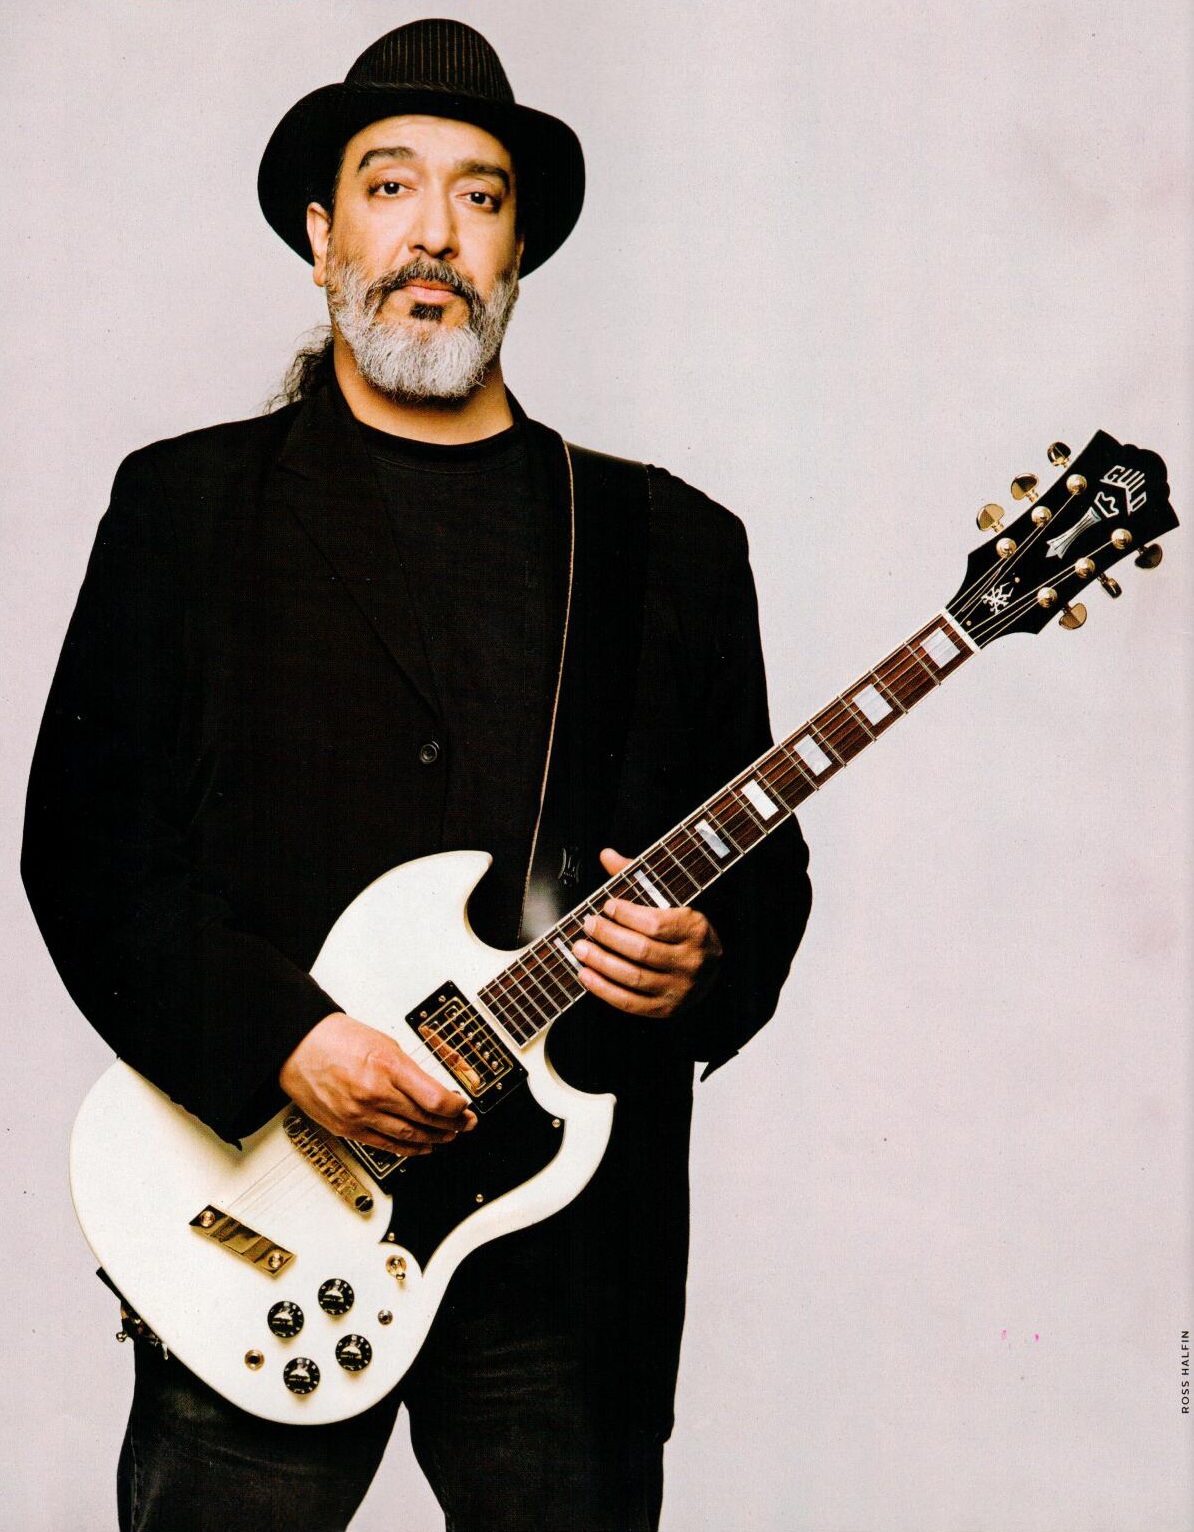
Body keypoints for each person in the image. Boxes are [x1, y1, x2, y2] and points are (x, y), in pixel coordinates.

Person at [23, 19, 811, 1532]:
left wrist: (701, 967)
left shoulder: (668, 545)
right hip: (260, 1220)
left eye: (480, 197)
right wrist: (284, 1045)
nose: (434, 234)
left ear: (519, 253)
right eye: (390, 188)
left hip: (567, 1262)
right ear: (324, 238)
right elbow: (88, 848)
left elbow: (762, 876)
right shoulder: (186, 508)